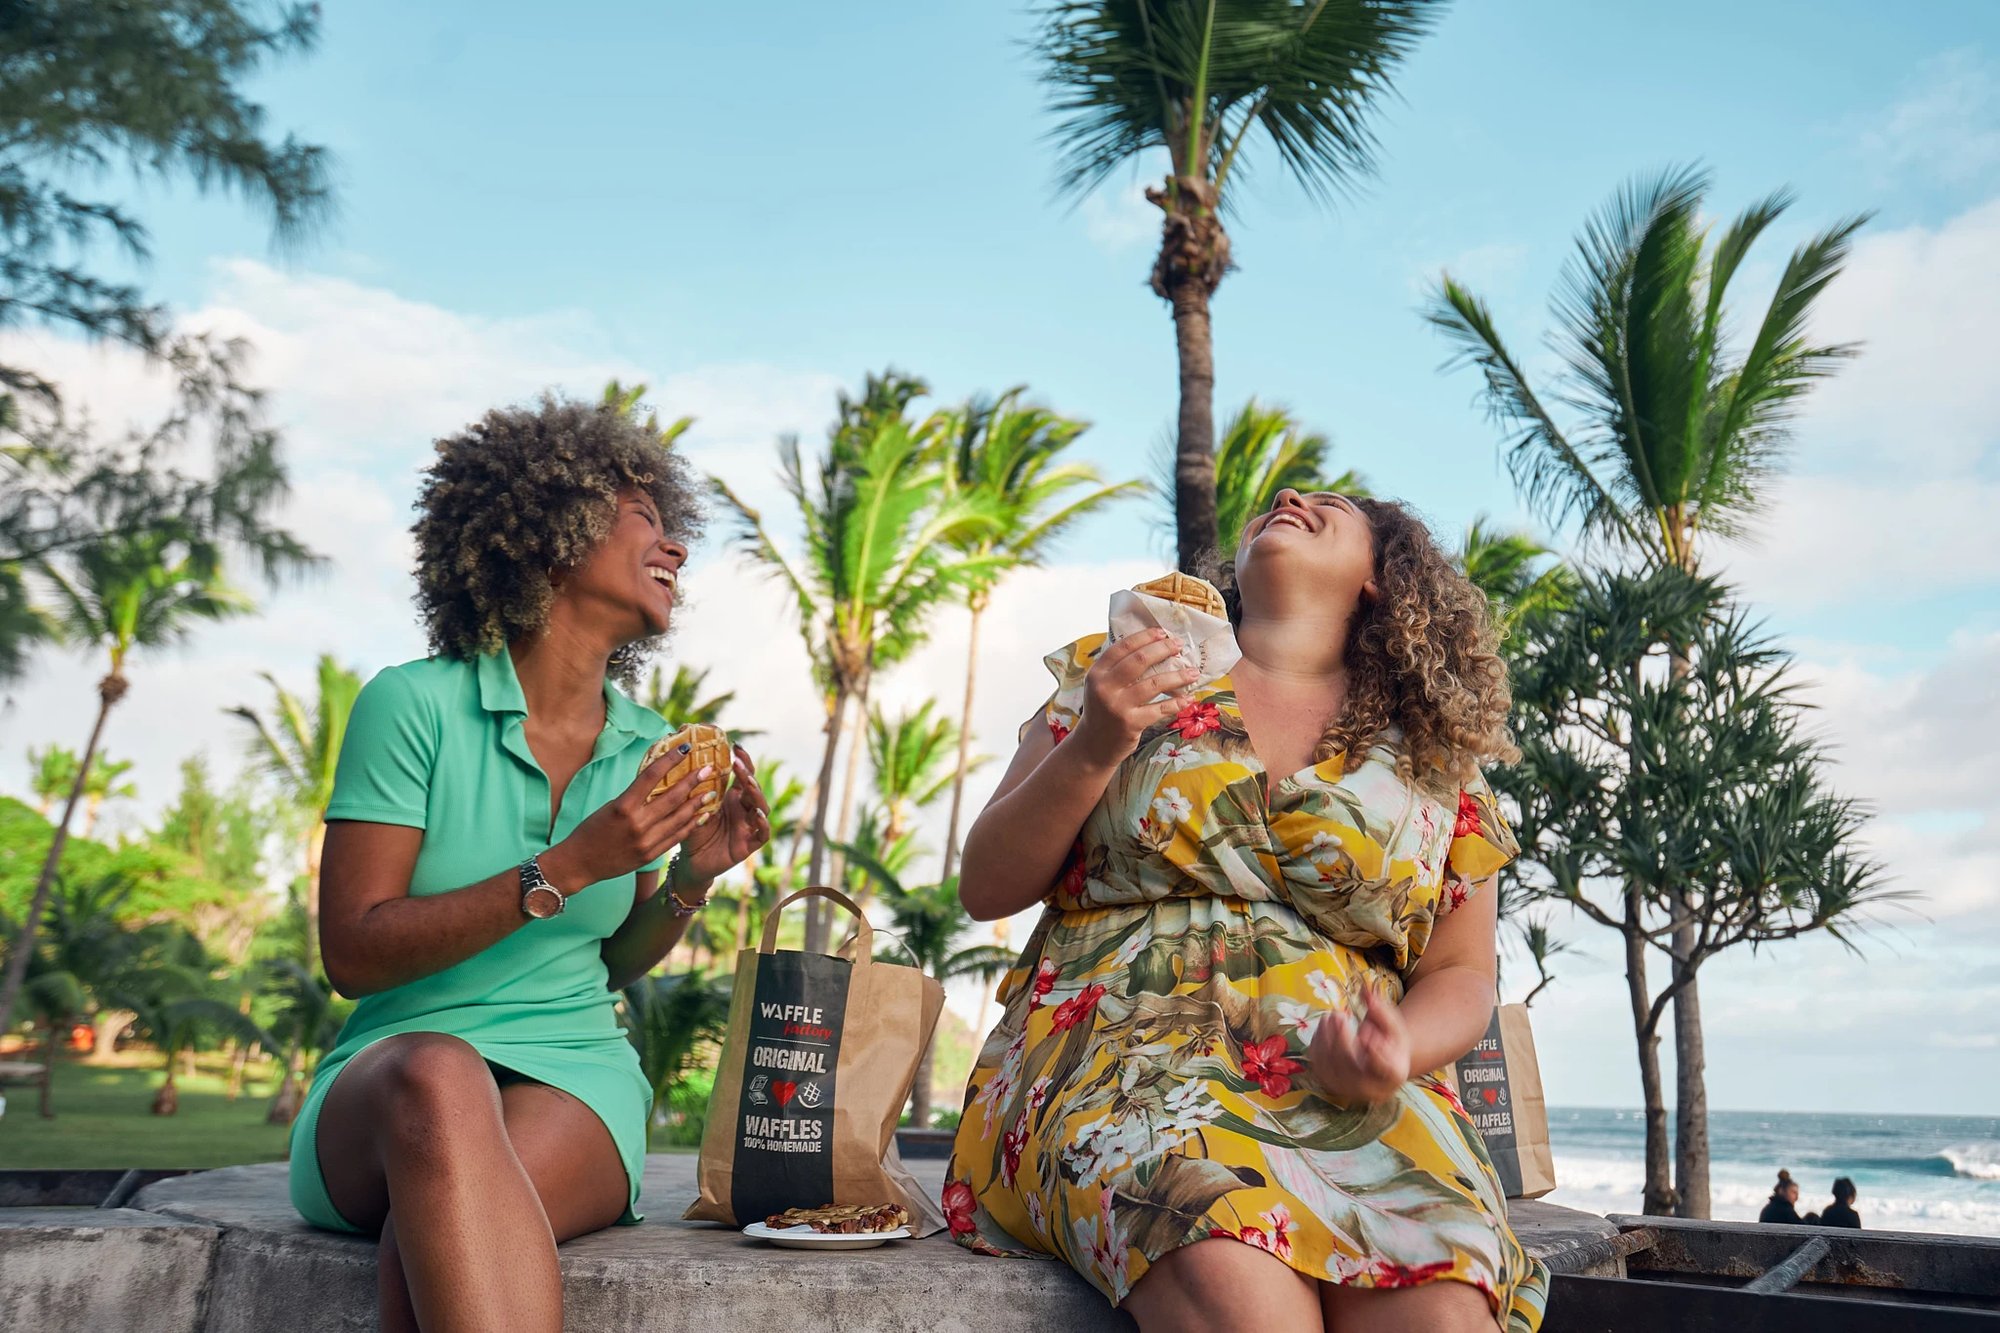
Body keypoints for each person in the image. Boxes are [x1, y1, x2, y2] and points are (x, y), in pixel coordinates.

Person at [945, 490, 1547, 1333]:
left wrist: (1399, 1046)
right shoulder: (1122, 666)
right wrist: (1097, 740)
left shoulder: (1435, 753)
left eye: (1327, 503)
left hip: (1350, 1097)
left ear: (1381, 578)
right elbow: (986, 884)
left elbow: (1461, 970)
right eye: (1278, 500)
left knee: (1443, 1316)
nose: (1291, 498)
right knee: (1242, 1298)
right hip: (1130, 1061)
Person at [287, 397, 771, 1332]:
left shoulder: (649, 748)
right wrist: (568, 865)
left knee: (435, 1235)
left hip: (575, 1075)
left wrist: (690, 878)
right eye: (646, 522)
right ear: (556, 534)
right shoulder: (411, 705)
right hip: (391, 1074)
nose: (675, 549)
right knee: (440, 1076)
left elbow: (611, 962)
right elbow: (352, 952)